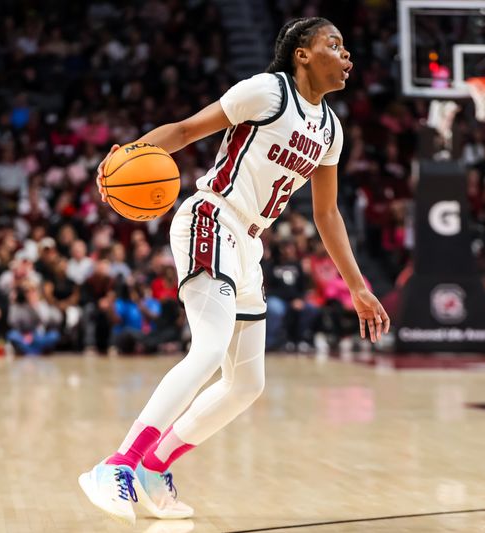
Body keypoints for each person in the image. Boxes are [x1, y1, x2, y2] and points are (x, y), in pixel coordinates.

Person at [78, 17, 390, 526]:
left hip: (248, 244)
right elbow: (184, 130)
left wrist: (358, 286)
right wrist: (132, 153)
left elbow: (327, 213)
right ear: (303, 54)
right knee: (207, 348)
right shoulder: (268, 91)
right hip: (212, 216)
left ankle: (156, 468)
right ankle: (118, 465)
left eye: (347, 45)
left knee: (247, 385)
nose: (346, 54)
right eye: (334, 44)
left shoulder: (330, 129)